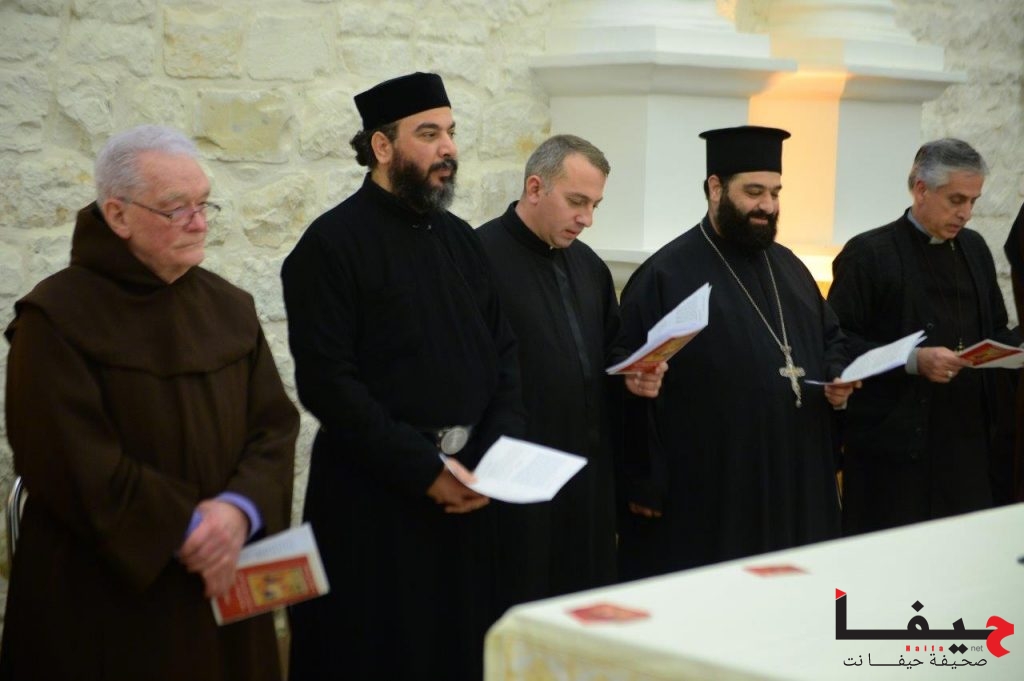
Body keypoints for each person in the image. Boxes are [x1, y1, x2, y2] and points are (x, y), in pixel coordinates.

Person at [0, 125, 298, 680]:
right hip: (108, 602)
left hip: (228, 580)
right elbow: (69, 460)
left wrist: (239, 510)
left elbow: (275, 427)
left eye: (204, 204)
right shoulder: (54, 318)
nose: (199, 222)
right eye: (177, 208)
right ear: (117, 215)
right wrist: (190, 529)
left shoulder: (230, 306)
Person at [281, 72, 524, 681]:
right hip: (375, 506)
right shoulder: (330, 245)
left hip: (468, 497)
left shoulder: (460, 240)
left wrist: (489, 459)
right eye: (429, 134)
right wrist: (425, 471)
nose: (449, 148)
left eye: (451, 132)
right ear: (382, 146)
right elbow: (329, 385)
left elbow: (504, 358)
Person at [616, 125, 855, 578]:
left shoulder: (791, 268)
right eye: (754, 192)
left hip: (797, 474)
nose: (768, 206)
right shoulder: (666, 275)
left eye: (775, 193)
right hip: (714, 484)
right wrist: (644, 479)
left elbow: (831, 340)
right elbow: (630, 385)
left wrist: (838, 374)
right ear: (715, 188)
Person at [477, 135, 665, 607]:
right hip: (514, 483)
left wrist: (635, 377)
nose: (587, 219)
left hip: (588, 484)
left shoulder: (589, 267)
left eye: (595, 205)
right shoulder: (478, 257)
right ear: (535, 188)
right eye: (577, 201)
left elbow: (609, 356)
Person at [829, 138, 1020, 534]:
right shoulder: (868, 254)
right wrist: (915, 361)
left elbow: (996, 328)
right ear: (921, 190)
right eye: (956, 200)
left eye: (973, 201)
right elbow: (838, 343)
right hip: (895, 459)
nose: (966, 213)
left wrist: (1011, 351)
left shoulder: (974, 248)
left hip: (966, 450)